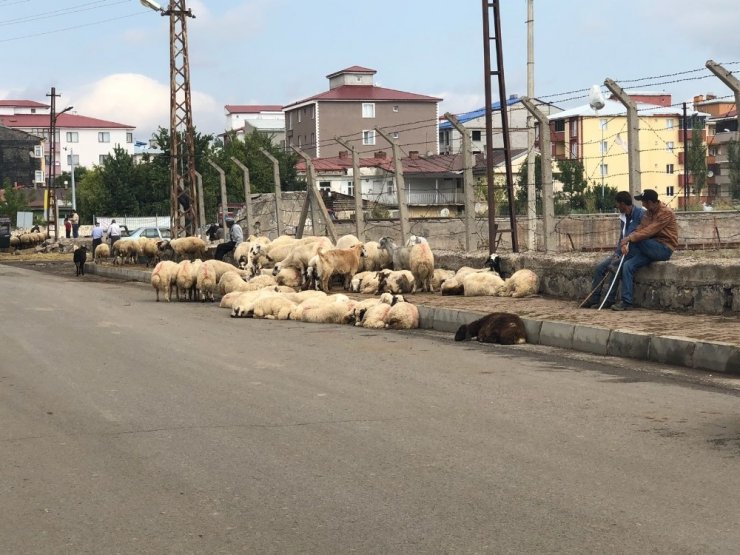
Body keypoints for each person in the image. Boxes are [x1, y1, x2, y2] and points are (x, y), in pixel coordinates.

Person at [612, 189, 678, 311]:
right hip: (649, 248)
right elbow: (640, 228)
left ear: (650, 202)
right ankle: (627, 302)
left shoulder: (665, 213)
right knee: (628, 266)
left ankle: (617, 263)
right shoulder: (648, 213)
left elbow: (649, 231)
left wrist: (629, 239)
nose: (642, 205)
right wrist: (627, 240)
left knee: (638, 241)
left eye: (644, 202)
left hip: (663, 248)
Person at [583, 191, 645, 309]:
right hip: (621, 252)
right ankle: (594, 299)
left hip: (633, 252)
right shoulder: (623, 217)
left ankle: (609, 299)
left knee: (614, 268)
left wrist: (628, 244)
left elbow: (641, 234)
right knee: (600, 267)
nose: (617, 207)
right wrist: (617, 253)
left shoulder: (641, 215)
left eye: (618, 204)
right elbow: (621, 238)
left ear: (622, 204)